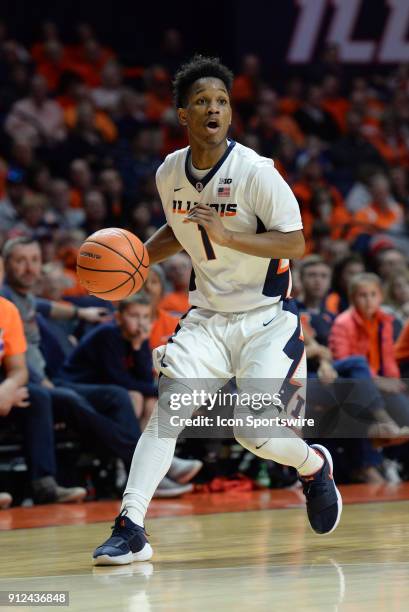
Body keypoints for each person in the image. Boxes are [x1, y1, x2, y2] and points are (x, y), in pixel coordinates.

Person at [93, 55, 342, 566]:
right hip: (206, 318)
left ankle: (314, 465)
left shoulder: (256, 172)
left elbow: (295, 243)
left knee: (252, 432)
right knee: (168, 415)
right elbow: (178, 232)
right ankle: (131, 525)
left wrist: (229, 234)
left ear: (230, 114)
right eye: (202, 101)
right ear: (183, 114)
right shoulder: (169, 173)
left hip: (267, 320)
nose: (214, 108)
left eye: (222, 102)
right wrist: (136, 257)